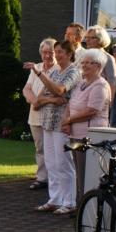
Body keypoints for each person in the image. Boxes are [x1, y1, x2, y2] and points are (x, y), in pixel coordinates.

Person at [33, 40, 81, 215]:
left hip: (62, 123)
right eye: (56, 51)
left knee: (63, 163)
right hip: (48, 122)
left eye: (60, 52)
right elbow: (40, 99)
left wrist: (42, 78)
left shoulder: (74, 72)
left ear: (69, 54)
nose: (57, 55)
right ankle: (55, 199)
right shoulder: (54, 72)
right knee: (51, 163)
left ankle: (69, 202)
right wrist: (51, 99)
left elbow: (60, 91)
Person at [62, 48, 111, 199]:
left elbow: (91, 111)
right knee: (79, 174)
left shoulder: (100, 85)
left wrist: (69, 120)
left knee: (88, 175)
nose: (84, 65)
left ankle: (89, 207)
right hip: (76, 135)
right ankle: (81, 205)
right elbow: (70, 103)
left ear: (99, 66)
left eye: (89, 63)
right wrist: (67, 122)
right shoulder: (81, 83)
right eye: (83, 62)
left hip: (90, 137)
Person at [22, 38, 56, 191]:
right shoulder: (36, 68)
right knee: (40, 148)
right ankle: (42, 178)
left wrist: (39, 102)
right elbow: (27, 88)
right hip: (35, 115)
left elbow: (52, 91)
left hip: (52, 114)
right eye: (44, 52)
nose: (47, 55)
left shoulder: (59, 69)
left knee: (53, 149)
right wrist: (34, 101)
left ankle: (54, 179)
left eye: (51, 52)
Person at [84, 25, 116, 99]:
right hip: (83, 97)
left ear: (101, 39)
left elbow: (112, 83)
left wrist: (109, 102)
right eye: (87, 37)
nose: (87, 40)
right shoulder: (84, 56)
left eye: (92, 38)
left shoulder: (108, 58)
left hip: (100, 97)